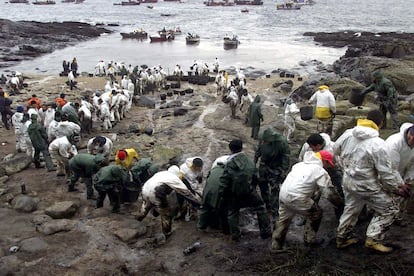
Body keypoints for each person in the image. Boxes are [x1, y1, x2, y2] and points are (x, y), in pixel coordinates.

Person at [333, 109, 409, 253]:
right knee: (390, 209)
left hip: (348, 180)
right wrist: (396, 188)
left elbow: (335, 150)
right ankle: (373, 239)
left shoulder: (348, 133)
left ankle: (342, 238)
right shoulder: (378, 144)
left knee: (351, 208)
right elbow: (386, 173)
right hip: (366, 184)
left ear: (366, 119)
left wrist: (344, 165)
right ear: (380, 124)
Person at [271, 150, 344, 251]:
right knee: (316, 213)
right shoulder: (320, 171)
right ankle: (309, 240)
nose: (328, 167)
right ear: (324, 161)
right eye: (328, 163)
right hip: (297, 197)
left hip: (283, 194)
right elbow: (328, 193)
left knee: (283, 220)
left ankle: (276, 246)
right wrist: (339, 203)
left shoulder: (299, 165)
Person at [218, 139, 271, 241]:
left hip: (234, 193)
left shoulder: (229, 163)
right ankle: (265, 232)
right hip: (249, 191)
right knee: (260, 207)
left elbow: (224, 181)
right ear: (241, 147)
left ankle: (235, 235)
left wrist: (222, 195)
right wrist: (253, 188)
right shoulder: (249, 160)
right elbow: (256, 176)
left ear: (230, 149)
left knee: (232, 212)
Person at [136, 165, 201, 237]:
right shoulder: (175, 179)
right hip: (156, 192)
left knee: (146, 206)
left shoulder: (161, 173)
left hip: (144, 189)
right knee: (166, 213)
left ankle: (137, 221)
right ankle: (167, 233)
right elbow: (187, 193)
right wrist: (198, 204)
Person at [254, 127, 290, 218]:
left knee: (275, 189)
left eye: (266, 141)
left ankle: (274, 210)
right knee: (262, 185)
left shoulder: (281, 142)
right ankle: (267, 205)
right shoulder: (263, 140)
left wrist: (284, 170)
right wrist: (254, 163)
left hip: (276, 167)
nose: (264, 142)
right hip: (264, 165)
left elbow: (286, 156)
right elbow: (258, 151)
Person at [386, 123, 414, 226]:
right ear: (409, 133)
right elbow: (392, 168)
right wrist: (400, 184)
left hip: (401, 171)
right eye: (412, 136)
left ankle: (398, 217)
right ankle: (379, 215)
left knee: (405, 193)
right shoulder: (395, 143)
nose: (412, 140)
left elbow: (412, 166)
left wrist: (407, 181)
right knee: (388, 196)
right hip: (387, 173)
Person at [198, 155, 230, 233]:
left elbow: (208, 178)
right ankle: (225, 229)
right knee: (222, 210)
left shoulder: (214, 169)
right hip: (217, 193)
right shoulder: (227, 172)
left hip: (206, 191)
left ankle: (201, 226)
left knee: (205, 209)